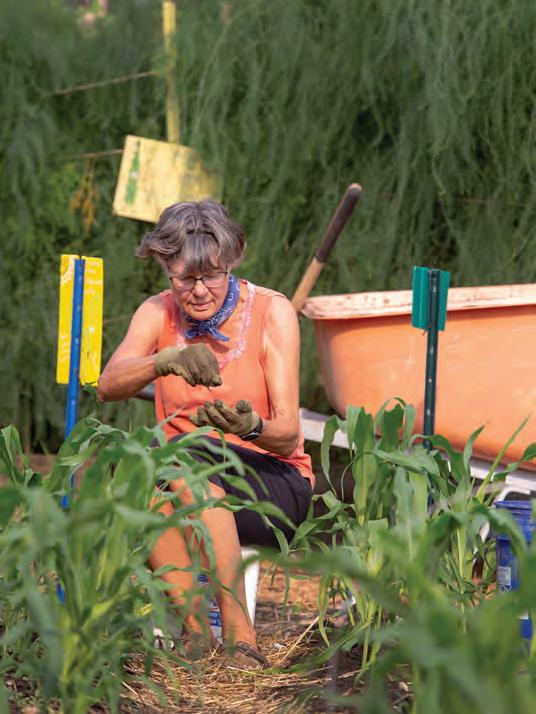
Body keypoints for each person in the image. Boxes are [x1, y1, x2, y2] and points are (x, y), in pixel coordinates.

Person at [97, 199, 314, 669]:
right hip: (184, 481)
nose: (198, 291)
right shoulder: (158, 313)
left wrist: (250, 427)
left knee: (181, 454)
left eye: (211, 276)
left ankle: (241, 638)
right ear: (165, 268)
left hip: (272, 485)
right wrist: (163, 360)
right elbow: (107, 385)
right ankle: (196, 632)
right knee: (138, 472)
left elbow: (287, 434)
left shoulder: (271, 311)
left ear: (230, 263)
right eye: (184, 279)